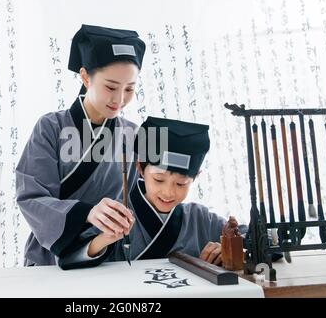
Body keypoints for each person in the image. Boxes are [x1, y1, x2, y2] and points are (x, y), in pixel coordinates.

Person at [16, 24, 146, 266]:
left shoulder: (133, 134)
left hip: (107, 256)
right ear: (85, 77)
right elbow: (31, 197)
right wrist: (87, 212)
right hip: (50, 257)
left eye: (129, 89)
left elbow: (145, 199)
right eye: (110, 87)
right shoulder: (50, 127)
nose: (119, 99)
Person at [58, 116, 245, 270]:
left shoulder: (201, 219)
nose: (169, 192)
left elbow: (253, 239)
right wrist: (104, 239)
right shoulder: (117, 214)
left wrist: (230, 248)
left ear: (196, 177)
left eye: (181, 183)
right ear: (140, 168)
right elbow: (69, 258)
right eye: (159, 180)